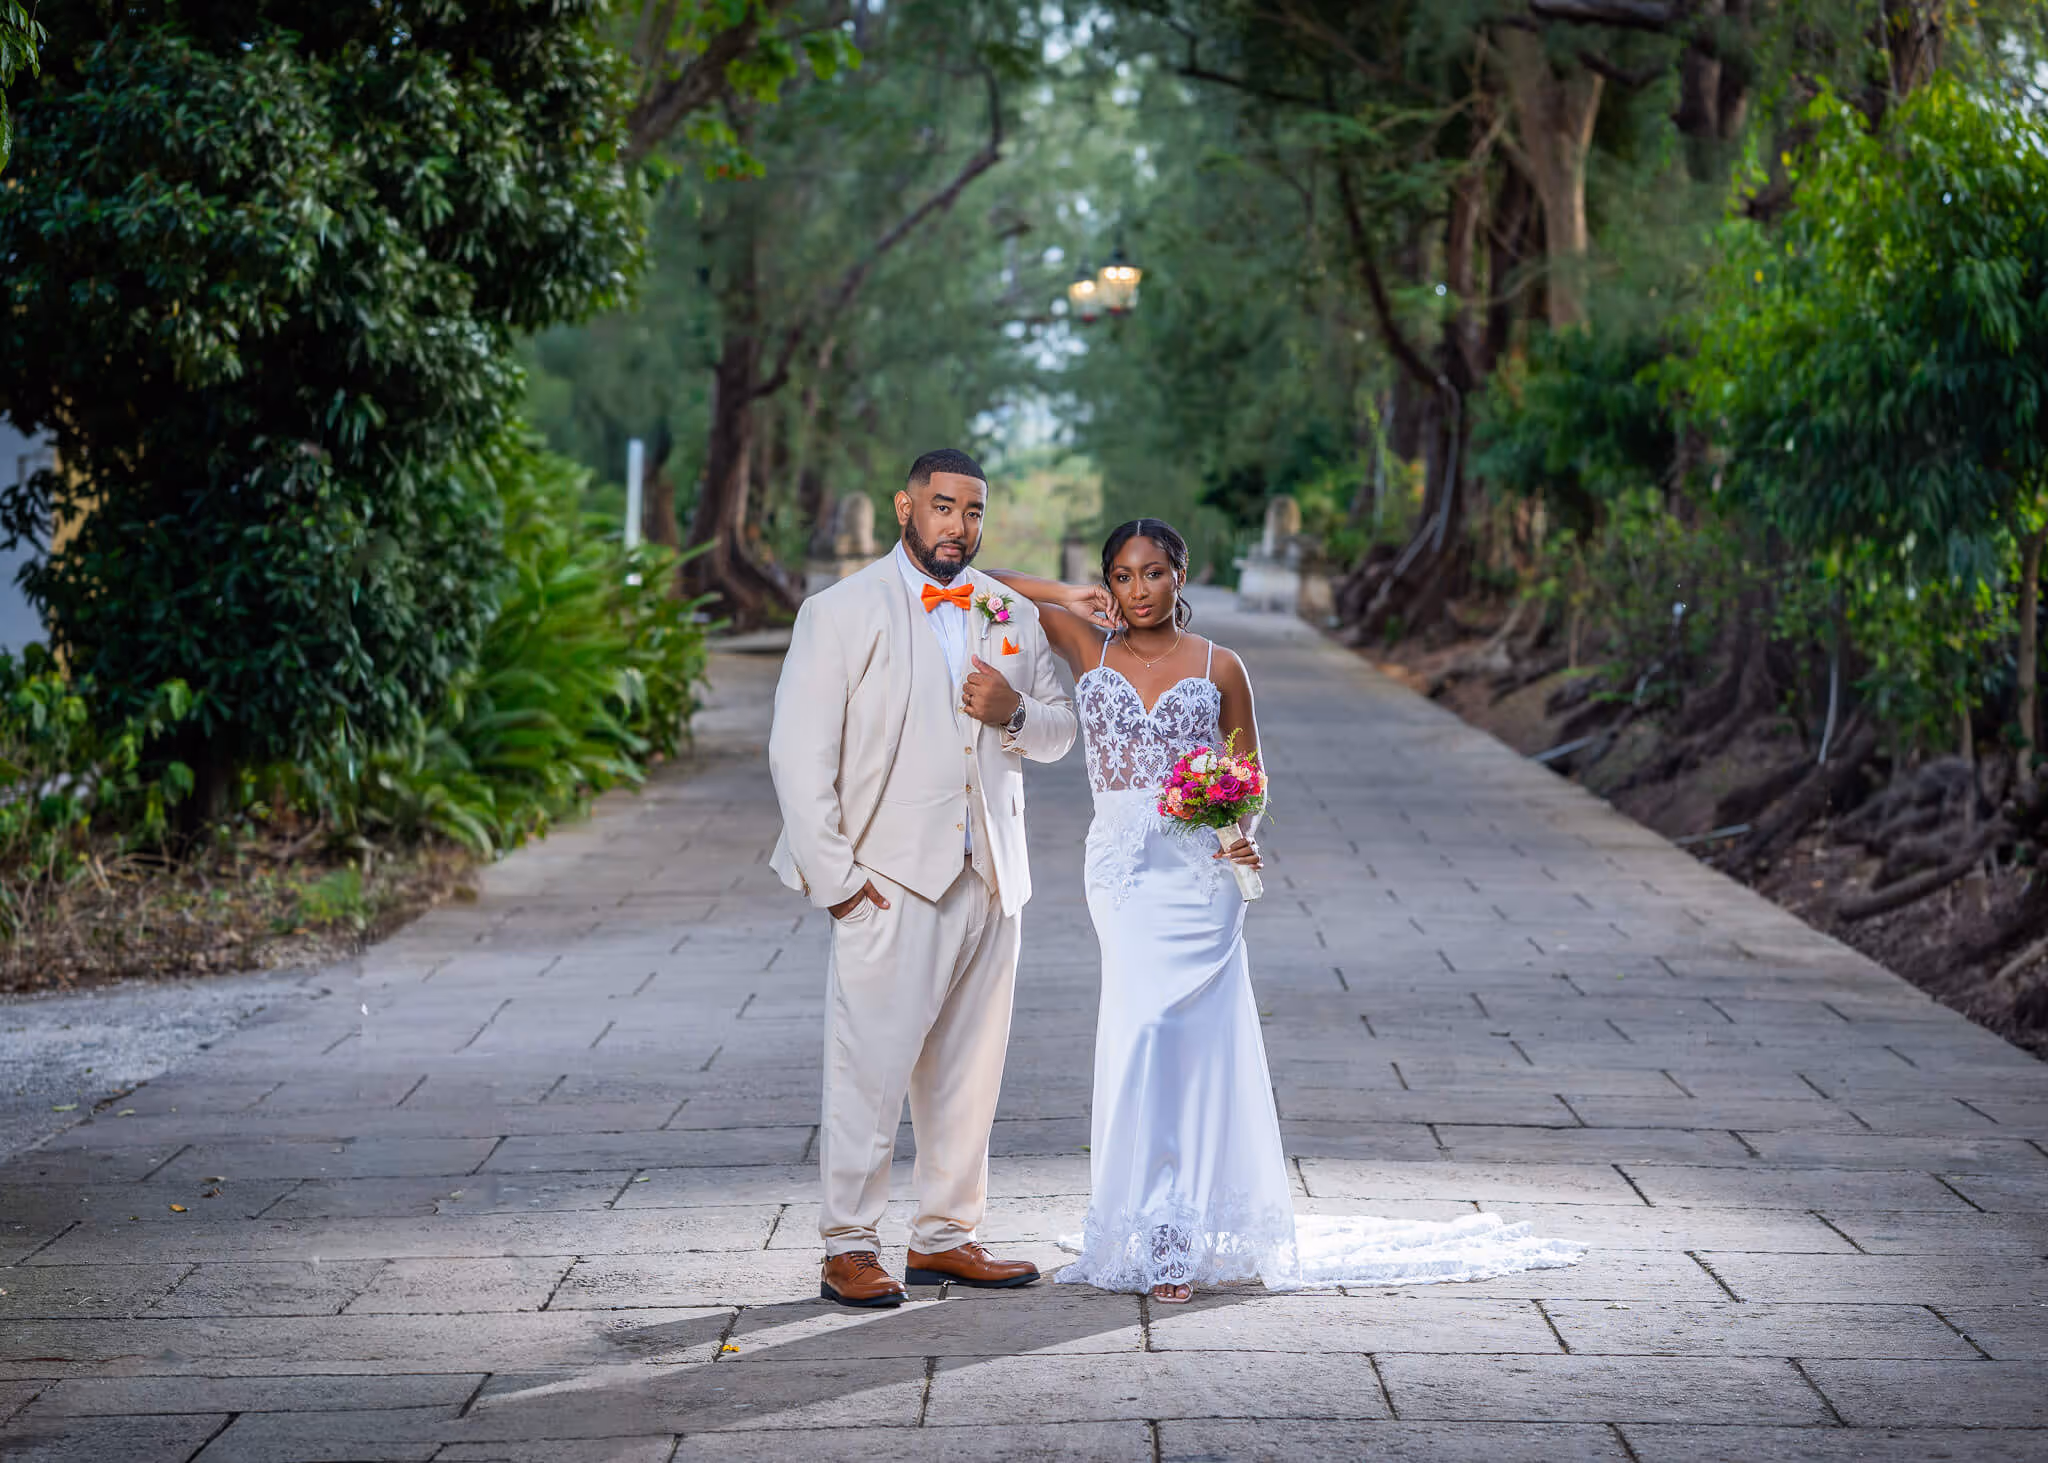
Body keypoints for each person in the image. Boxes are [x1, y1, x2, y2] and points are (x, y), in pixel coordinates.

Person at [987, 519, 1584, 1304]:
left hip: (1200, 876)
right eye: (1123, 576)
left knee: (1192, 1042)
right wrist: (1066, 591)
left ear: (1180, 576)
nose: (1138, 590)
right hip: (1123, 875)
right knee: (1142, 1031)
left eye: (1154, 573)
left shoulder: (1221, 665)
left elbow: (1248, 776)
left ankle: (1182, 1224)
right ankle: (1152, 1219)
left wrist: (1239, 835)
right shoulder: (1085, 645)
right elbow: (986, 588)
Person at [766, 448, 1077, 1308]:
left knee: (970, 1070)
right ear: (907, 506)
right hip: (888, 879)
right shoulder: (840, 612)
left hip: (992, 878)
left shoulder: (1009, 610)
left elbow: (1060, 730)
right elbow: (798, 755)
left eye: (973, 512)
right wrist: (837, 881)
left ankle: (946, 1236)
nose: (959, 527)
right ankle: (848, 1246)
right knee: (869, 1069)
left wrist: (1014, 713)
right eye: (943, 508)